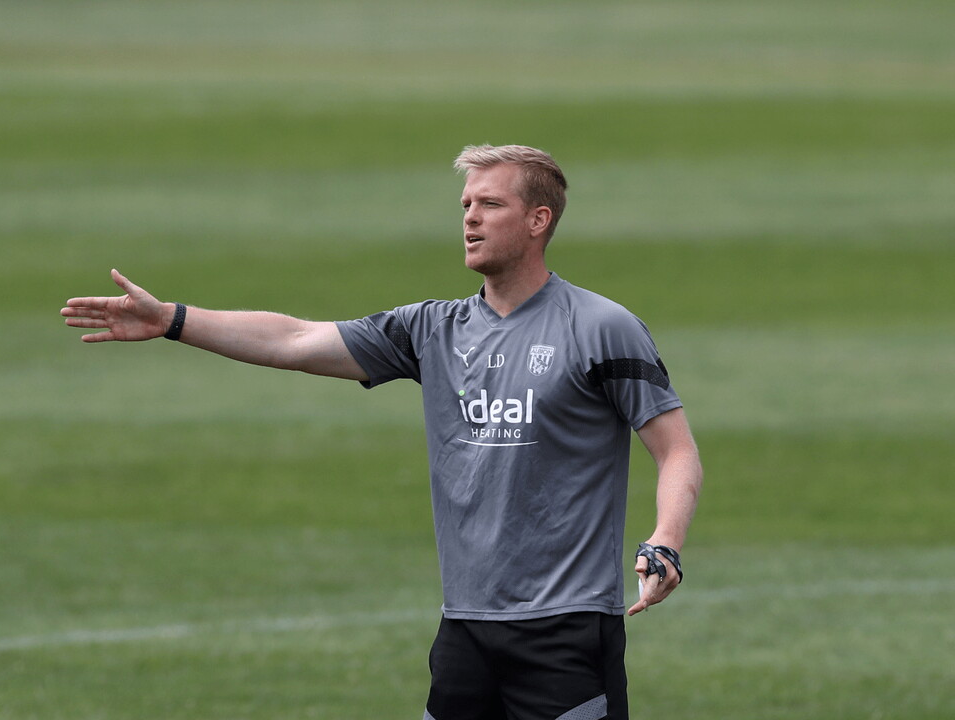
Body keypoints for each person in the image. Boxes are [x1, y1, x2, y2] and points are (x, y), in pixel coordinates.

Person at [62, 144, 702, 720]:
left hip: (565, 630)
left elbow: (676, 451)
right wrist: (173, 319)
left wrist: (664, 541)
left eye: (490, 204)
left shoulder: (600, 328)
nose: (470, 219)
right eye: (465, 205)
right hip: (465, 631)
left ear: (539, 220)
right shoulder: (434, 330)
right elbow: (295, 339)